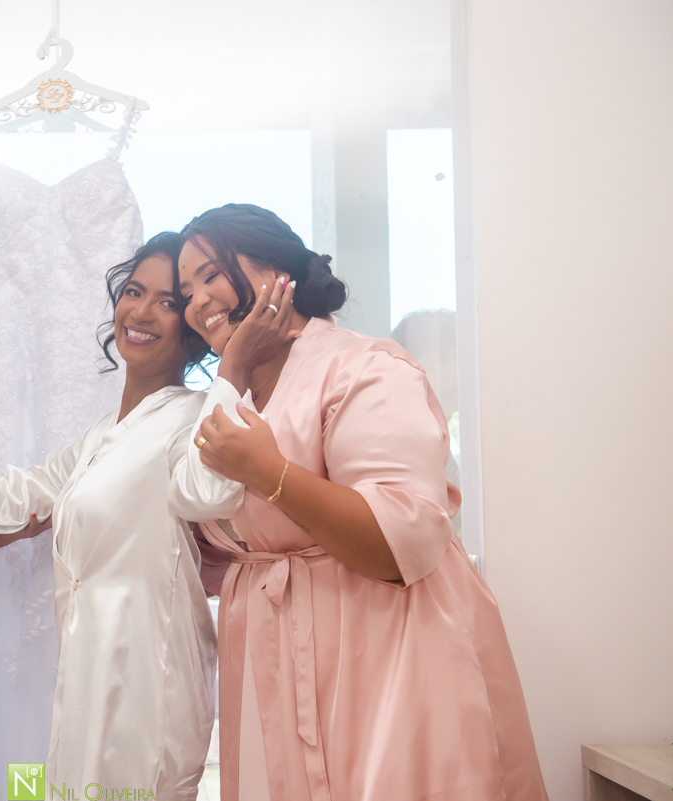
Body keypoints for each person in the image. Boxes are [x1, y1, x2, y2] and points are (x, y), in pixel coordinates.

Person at [176, 204, 548, 800]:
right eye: (186, 290)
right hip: (274, 655)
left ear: (275, 267)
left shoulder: (363, 366)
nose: (196, 300)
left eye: (210, 274)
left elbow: (399, 539)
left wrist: (270, 475)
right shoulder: (231, 394)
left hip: (387, 651)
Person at [0, 233, 243, 801]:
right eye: (133, 291)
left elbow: (215, 492)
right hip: (82, 682)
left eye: (168, 302)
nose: (142, 311)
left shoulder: (195, 419)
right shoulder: (100, 438)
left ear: (193, 326)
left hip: (149, 685)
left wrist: (235, 365)